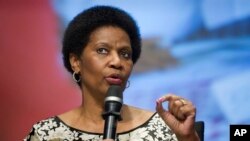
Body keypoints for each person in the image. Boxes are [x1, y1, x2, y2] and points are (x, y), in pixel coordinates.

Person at [24, 5, 200, 141]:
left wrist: (187, 139)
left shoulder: (162, 128)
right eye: (102, 50)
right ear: (76, 62)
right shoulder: (47, 133)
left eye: (125, 54)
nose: (117, 62)